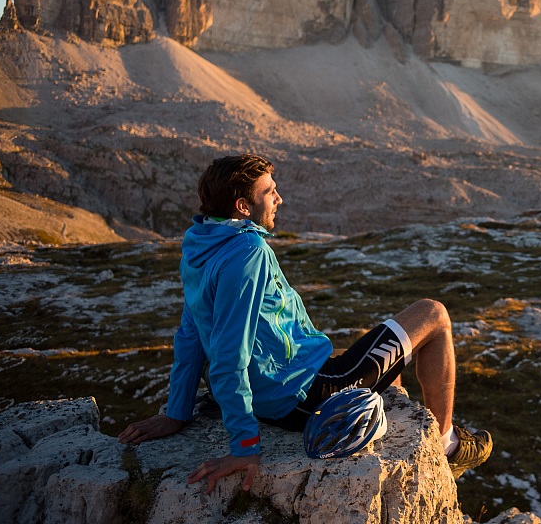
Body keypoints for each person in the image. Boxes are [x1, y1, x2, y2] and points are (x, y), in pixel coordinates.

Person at [118, 153, 491, 492]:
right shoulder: (248, 252)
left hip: (274, 386)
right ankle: (448, 446)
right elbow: (231, 356)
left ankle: (403, 417)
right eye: (270, 192)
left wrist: (177, 412)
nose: (279, 199)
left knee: (385, 365)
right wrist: (245, 448)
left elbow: (190, 334)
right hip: (301, 396)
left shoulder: (199, 243)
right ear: (244, 206)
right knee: (433, 314)